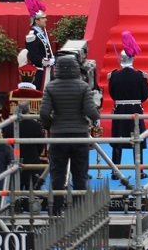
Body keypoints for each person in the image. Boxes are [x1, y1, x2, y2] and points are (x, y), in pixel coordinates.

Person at [38, 54, 100, 216]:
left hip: (58, 135)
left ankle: (56, 209)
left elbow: (43, 112)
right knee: (80, 175)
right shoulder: (83, 87)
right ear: (76, 68)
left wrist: (50, 125)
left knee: (57, 175)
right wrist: (95, 117)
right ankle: (79, 210)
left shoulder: (51, 87)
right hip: (79, 135)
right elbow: (91, 111)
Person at [107, 30, 148, 181]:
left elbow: (112, 93)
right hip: (135, 109)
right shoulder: (140, 76)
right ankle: (140, 170)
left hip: (120, 109)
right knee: (137, 140)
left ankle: (115, 171)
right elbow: (146, 94)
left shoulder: (114, 76)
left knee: (118, 140)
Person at [24, 0, 55, 89]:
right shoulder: (32, 36)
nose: (46, 20)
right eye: (43, 18)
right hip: (39, 72)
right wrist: (47, 61)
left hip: (46, 70)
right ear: (36, 21)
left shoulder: (41, 33)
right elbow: (34, 57)